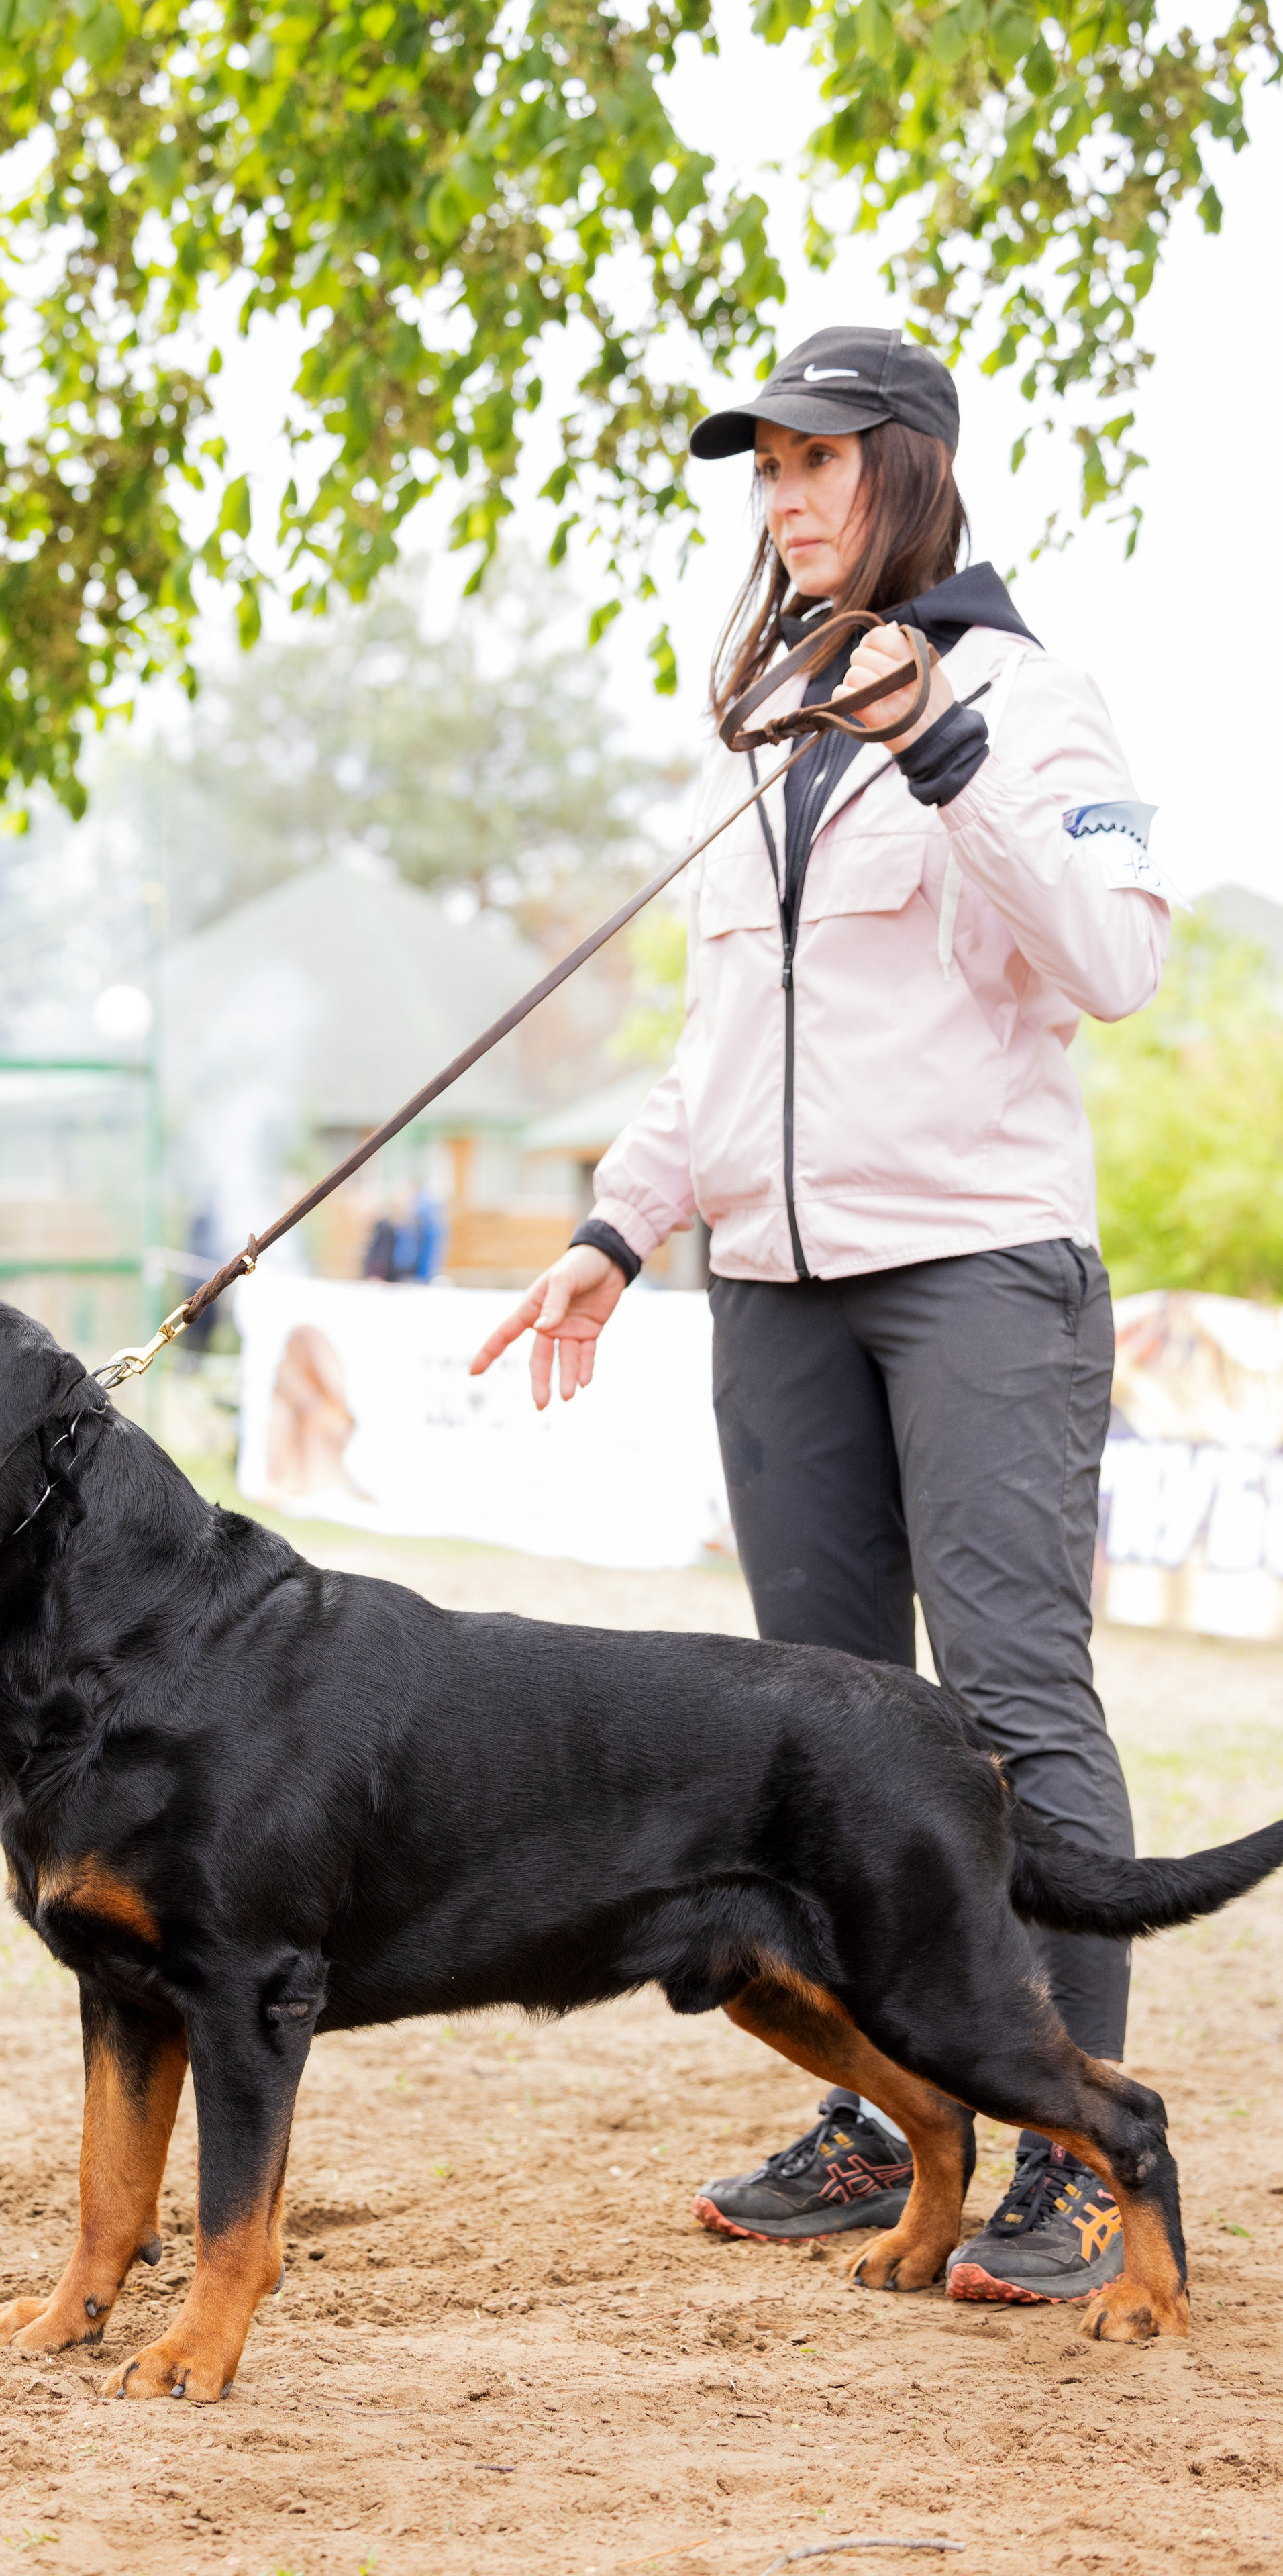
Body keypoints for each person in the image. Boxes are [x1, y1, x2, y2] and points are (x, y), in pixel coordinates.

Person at [470, 324, 1173, 2306]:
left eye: (821, 461)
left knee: (1015, 1711)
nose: (783, 498)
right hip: (767, 1294)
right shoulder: (769, 731)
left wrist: (940, 747)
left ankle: (1072, 2144)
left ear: (917, 469)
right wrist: (615, 1233)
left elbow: (1114, 958)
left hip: (976, 1274)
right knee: (820, 1745)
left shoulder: (1027, 699)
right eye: (763, 468)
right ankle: (890, 2117)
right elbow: (723, 1048)